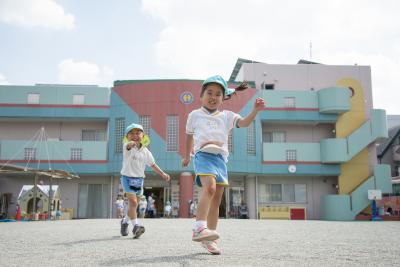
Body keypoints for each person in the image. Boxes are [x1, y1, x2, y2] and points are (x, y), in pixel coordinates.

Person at [182, 75, 265, 255]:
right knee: (209, 189)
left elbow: (243, 123)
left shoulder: (227, 116)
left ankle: (210, 238)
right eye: (209, 92)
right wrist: (187, 155)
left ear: (223, 97)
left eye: (218, 94)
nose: (213, 96)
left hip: (220, 159)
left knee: (217, 200)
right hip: (203, 155)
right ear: (202, 95)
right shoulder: (194, 115)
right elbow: (189, 136)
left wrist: (255, 111)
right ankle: (199, 227)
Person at [120, 123, 170, 239]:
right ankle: (136, 226)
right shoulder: (126, 146)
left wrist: (162, 173)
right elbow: (128, 146)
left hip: (139, 180)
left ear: (143, 135)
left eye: (138, 133)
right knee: (133, 202)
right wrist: (130, 144)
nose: (135, 135)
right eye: (131, 133)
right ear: (127, 136)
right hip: (127, 178)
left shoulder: (146, 151)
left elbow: (152, 164)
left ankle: (124, 222)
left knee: (134, 205)